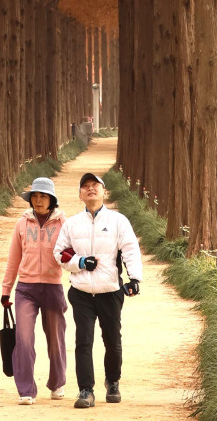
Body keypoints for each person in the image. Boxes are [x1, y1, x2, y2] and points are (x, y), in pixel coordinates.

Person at [54, 169, 142, 409]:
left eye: (95, 185)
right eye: (85, 186)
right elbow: (59, 253)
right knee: (83, 341)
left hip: (110, 291)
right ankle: (86, 390)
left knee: (112, 340)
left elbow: (130, 249)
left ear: (104, 192)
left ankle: (113, 382)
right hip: (81, 292)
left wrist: (134, 279)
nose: (90, 188)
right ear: (80, 195)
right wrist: (79, 263)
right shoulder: (72, 224)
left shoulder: (118, 221)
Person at [2, 175, 69, 405]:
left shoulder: (63, 223)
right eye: (35, 196)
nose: (38, 201)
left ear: (52, 199)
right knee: (23, 338)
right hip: (26, 289)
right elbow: (14, 259)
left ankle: (57, 382)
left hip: (53, 287)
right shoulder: (22, 223)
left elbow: (72, 254)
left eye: (43, 196)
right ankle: (26, 389)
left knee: (55, 339)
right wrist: (6, 290)